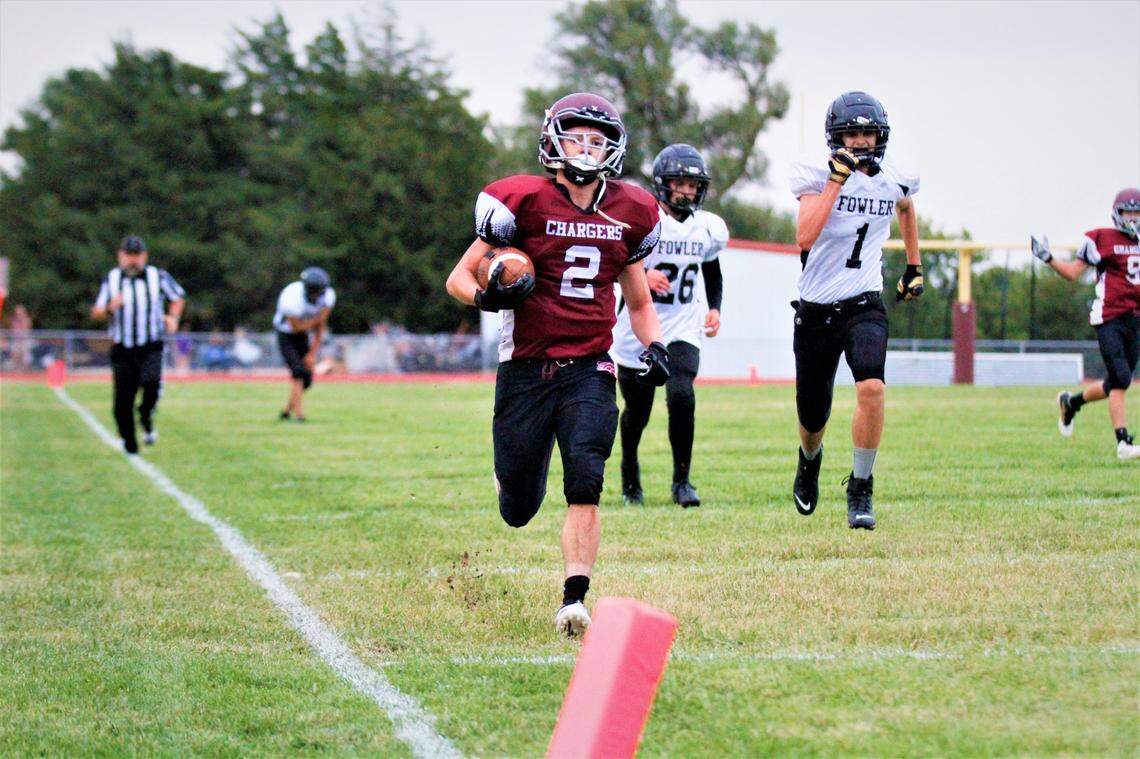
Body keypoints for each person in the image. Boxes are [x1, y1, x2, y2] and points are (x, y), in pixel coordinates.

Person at [445, 92, 670, 637]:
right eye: (577, 137)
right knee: (518, 506)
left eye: (598, 140)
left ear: (613, 149)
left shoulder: (632, 211)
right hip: (525, 367)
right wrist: (487, 298)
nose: (586, 148)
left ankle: (574, 597)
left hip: (590, 367)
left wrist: (654, 346)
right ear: (554, 139)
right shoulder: (520, 201)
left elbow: (638, 302)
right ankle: (514, 477)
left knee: (587, 476)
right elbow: (458, 279)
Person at [788, 91, 924, 530]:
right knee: (813, 415)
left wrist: (913, 264)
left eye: (868, 133)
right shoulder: (813, 174)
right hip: (815, 309)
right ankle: (809, 461)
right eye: (852, 133)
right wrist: (836, 182)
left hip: (864, 302)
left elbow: (905, 205)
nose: (862, 142)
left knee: (872, 388)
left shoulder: (894, 176)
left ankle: (861, 485)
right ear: (835, 137)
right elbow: (805, 236)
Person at [611, 144, 728, 508]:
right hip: (636, 328)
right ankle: (630, 470)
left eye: (694, 185)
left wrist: (715, 308)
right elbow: (614, 264)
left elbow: (711, 267)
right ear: (663, 184)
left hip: (682, 325)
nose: (688, 192)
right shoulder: (644, 219)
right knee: (638, 412)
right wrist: (644, 274)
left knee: (681, 394)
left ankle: (682, 481)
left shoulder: (707, 227)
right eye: (680, 183)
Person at [1032, 188, 1140, 460]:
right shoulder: (1101, 238)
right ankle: (1123, 443)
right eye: (1129, 211)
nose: (1134, 217)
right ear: (1118, 213)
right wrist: (1047, 257)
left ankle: (1071, 403)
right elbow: (1072, 273)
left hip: (1135, 318)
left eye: (1138, 212)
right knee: (1123, 379)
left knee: (1115, 381)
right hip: (1108, 317)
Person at [90, 235, 186, 453]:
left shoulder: (157, 276)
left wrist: (173, 317)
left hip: (150, 344)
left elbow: (178, 296)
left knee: (152, 383)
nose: (133, 261)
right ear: (120, 256)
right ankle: (130, 444)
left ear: (144, 256)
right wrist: (109, 308)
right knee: (122, 402)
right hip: (123, 348)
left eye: (137, 256)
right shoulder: (112, 279)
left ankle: (145, 413)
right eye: (128, 256)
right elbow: (95, 313)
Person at [273, 267, 335, 422]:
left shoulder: (328, 296)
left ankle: (287, 411)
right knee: (298, 371)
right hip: (286, 334)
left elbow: (321, 326)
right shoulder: (290, 299)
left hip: (302, 336)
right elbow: (296, 327)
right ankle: (300, 415)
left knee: (307, 378)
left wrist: (312, 353)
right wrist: (316, 321)